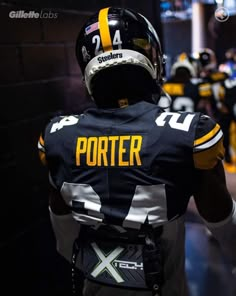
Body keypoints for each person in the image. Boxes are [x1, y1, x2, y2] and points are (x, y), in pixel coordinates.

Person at [38, 7, 236, 296]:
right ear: (152, 59)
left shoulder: (57, 136)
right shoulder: (189, 133)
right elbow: (228, 232)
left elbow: (65, 243)